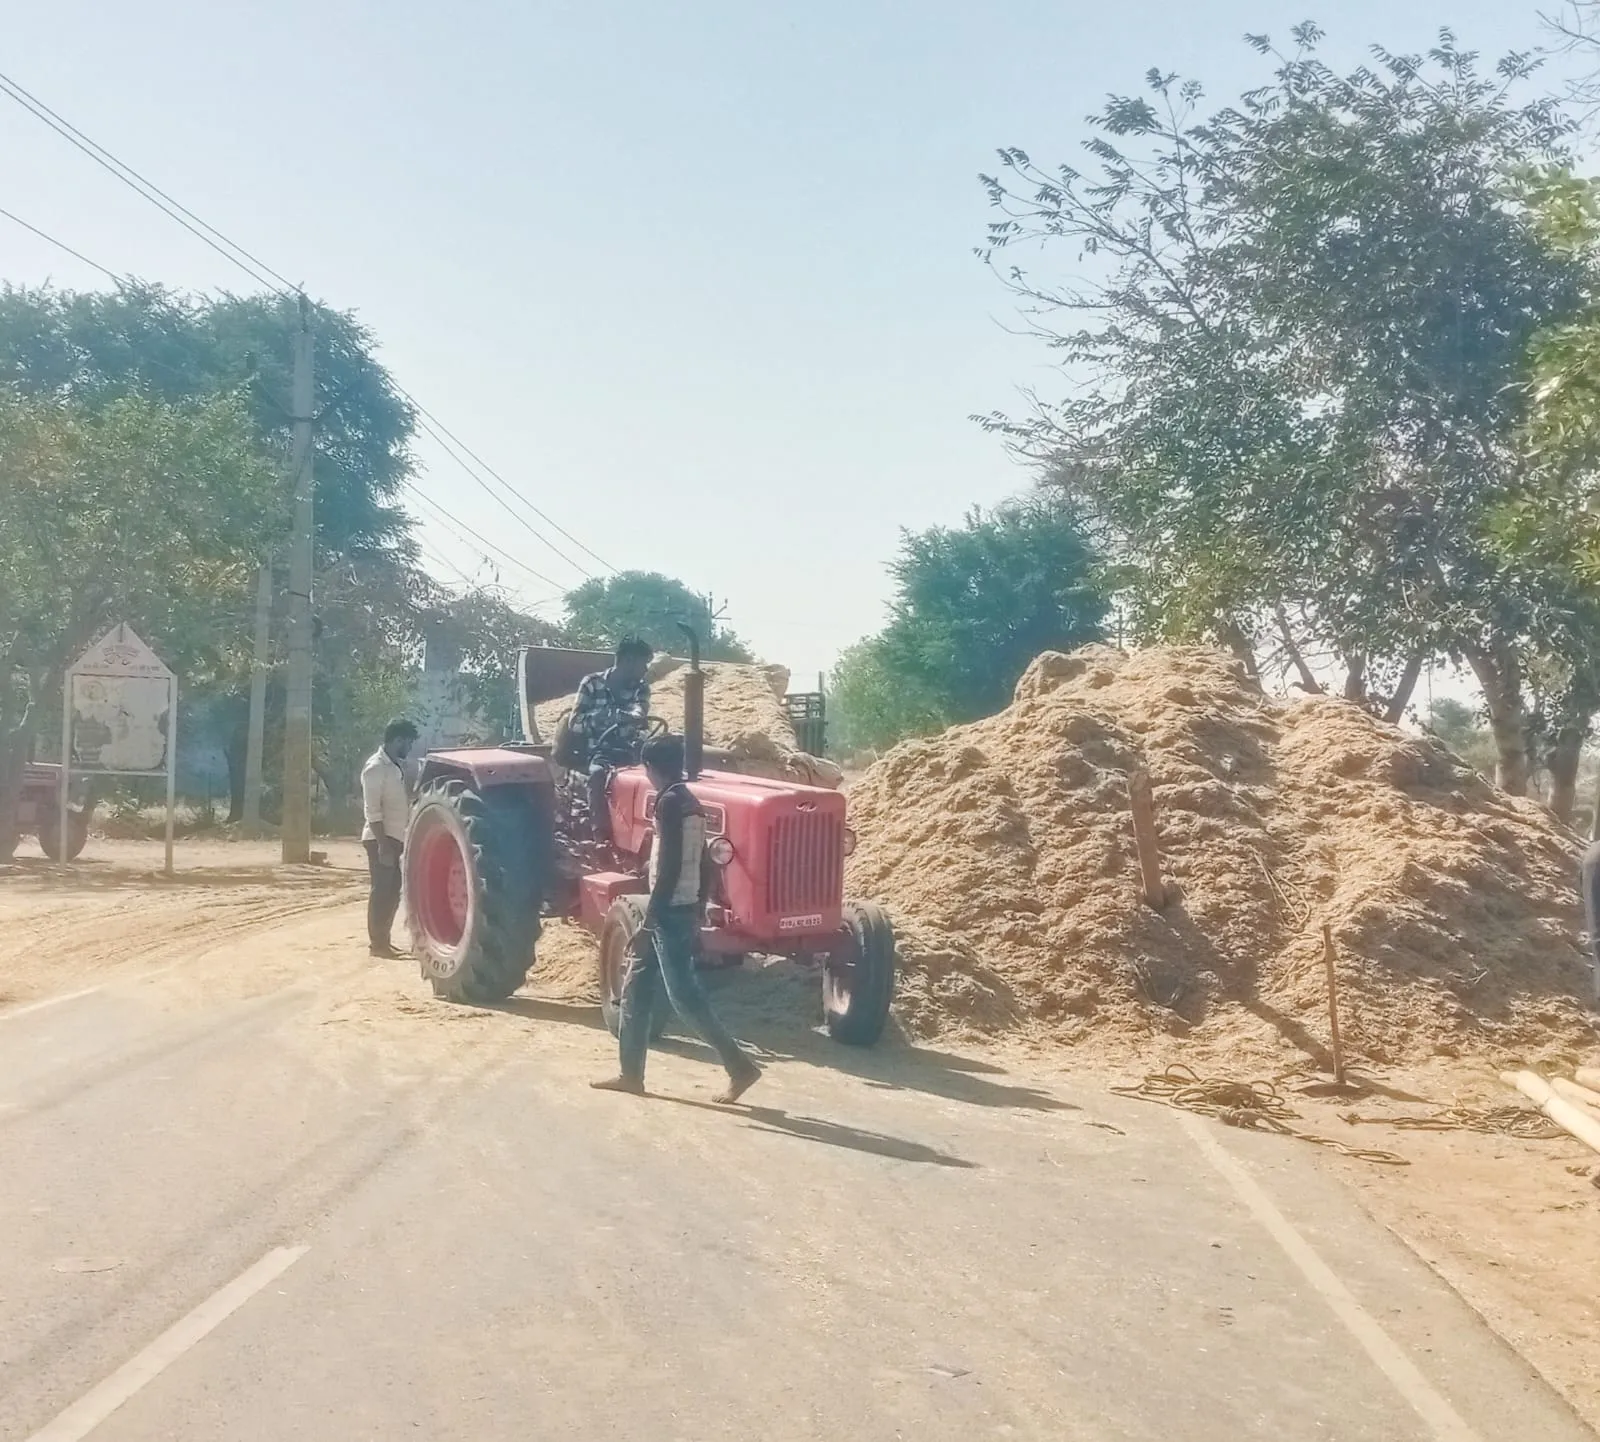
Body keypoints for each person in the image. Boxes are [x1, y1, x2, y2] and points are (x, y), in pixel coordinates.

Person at [592, 733, 762, 1103]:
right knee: (636, 989)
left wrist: (649, 922)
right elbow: (704, 861)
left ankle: (740, 1068)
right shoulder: (691, 802)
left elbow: (668, 868)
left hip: (668, 911)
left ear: (652, 768)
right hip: (682, 907)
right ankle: (630, 1074)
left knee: (684, 997)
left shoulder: (668, 803)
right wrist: (700, 906)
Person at [568, 636, 654, 841]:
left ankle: (651, 831)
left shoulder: (641, 688)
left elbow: (640, 711)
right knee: (598, 774)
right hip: (600, 751)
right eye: (643, 663)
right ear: (628, 660)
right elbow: (575, 723)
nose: (646, 670)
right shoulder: (592, 684)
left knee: (660, 773)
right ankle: (601, 836)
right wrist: (602, 718)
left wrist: (630, 716)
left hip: (632, 751)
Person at [360, 718, 419, 959]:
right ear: (397, 740)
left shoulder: (396, 766)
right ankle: (377, 944)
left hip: (397, 837)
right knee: (382, 892)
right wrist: (383, 846)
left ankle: (384, 940)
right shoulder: (375, 768)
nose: (410, 747)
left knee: (393, 892)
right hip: (380, 839)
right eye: (408, 742)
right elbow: (372, 811)